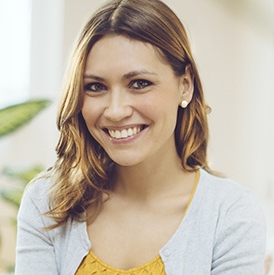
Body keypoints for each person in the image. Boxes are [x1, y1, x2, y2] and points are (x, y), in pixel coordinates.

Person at [15, 0, 266, 274]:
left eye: (139, 84)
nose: (115, 111)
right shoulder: (48, 202)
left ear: (185, 85)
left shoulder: (230, 214)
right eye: (96, 87)